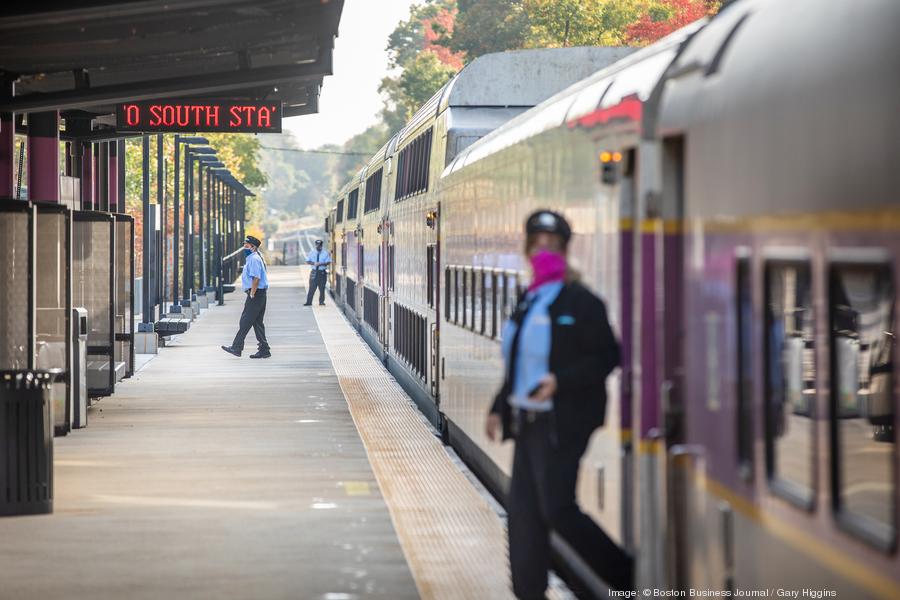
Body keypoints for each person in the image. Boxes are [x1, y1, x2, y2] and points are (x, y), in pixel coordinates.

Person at [485, 210, 633, 598]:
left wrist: (560, 382)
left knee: (557, 510)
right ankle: (528, 593)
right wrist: (499, 406)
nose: (543, 252)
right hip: (527, 422)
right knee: (524, 517)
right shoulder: (529, 298)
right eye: (536, 245)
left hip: (564, 423)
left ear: (565, 252)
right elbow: (519, 361)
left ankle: (628, 581)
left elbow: (608, 356)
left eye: (552, 246)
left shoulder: (581, 302)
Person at [222, 235, 271, 359]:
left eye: (247, 246)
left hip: (256, 294)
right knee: (257, 323)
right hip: (259, 294)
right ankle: (264, 350)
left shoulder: (254, 259)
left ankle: (236, 347)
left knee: (245, 321)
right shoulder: (253, 257)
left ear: (253, 247)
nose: (244, 248)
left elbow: (256, 278)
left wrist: (252, 293)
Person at [304, 239, 331, 306]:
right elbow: (307, 261)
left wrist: (320, 264)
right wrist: (313, 263)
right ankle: (308, 302)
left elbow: (328, 262)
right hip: (314, 272)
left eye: (320, 246)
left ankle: (321, 302)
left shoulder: (325, 253)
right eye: (317, 246)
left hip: (322, 273)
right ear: (315, 245)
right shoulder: (312, 252)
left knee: (322, 288)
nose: (319, 247)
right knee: (311, 288)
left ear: (322, 246)